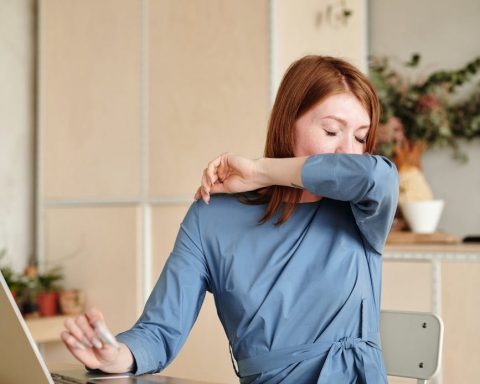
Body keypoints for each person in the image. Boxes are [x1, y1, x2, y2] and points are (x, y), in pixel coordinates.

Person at [61, 55, 399, 383]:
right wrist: (118, 356)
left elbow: (375, 176)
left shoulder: (362, 210)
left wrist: (260, 170)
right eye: (331, 131)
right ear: (287, 124)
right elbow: (161, 330)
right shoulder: (211, 217)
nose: (348, 152)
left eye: (359, 137)